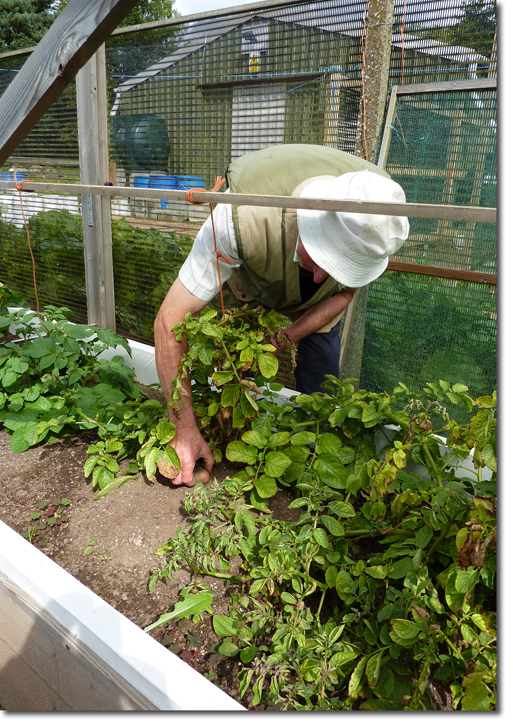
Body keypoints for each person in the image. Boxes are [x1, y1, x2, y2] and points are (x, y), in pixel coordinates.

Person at [154, 144, 409, 486]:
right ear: (308, 222)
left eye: (339, 268)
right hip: (250, 277)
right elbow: (170, 321)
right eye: (321, 258)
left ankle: (318, 466)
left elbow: (344, 293)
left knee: (321, 393)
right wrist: (182, 428)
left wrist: (287, 337)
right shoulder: (241, 218)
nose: (322, 277)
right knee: (223, 358)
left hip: (318, 304)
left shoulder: (379, 220)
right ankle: (216, 428)